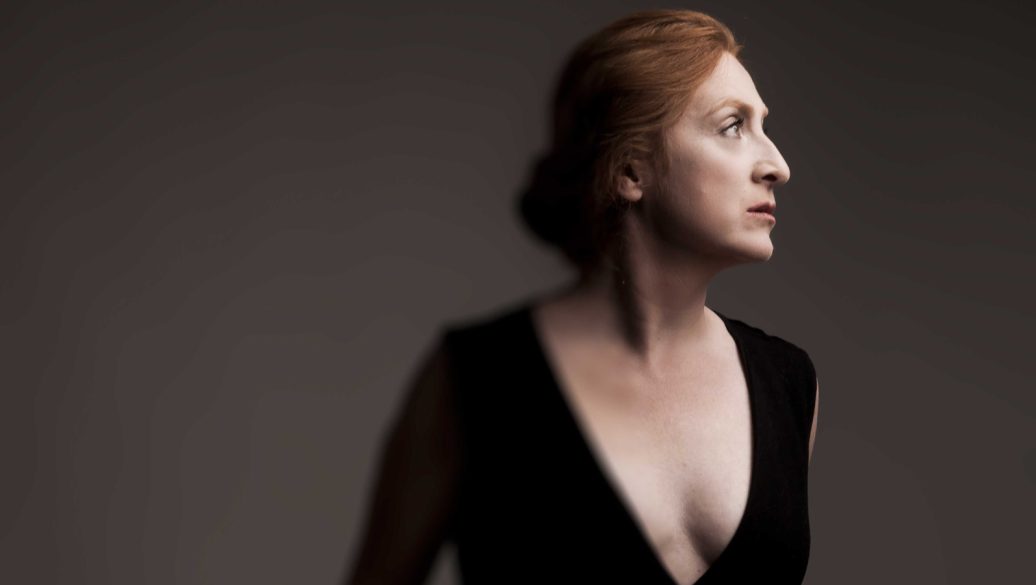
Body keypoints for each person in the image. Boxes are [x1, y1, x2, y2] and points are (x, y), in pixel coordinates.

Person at [345, 9, 819, 585]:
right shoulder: (479, 377)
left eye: (763, 126)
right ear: (630, 170)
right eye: (732, 126)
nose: (777, 166)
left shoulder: (788, 383)